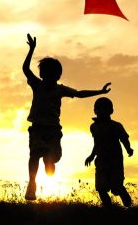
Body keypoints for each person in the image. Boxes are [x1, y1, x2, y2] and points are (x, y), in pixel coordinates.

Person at [23, 33, 111, 200]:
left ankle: (49, 161)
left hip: (54, 130)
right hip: (38, 128)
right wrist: (31, 50)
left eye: (53, 74)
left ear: (58, 76)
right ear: (42, 74)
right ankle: (32, 183)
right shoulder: (37, 85)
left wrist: (99, 91)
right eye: (46, 73)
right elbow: (26, 70)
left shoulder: (60, 89)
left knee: (53, 159)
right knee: (34, 154)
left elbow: (79, 94)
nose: (49, 77)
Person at [85, 97, 134, 207]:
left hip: (115, 161)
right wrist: (92, 155)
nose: (102, 110)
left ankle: (128, 205)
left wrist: (128, 149)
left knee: (116, 187)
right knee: (101, 188)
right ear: (95, 110)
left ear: (111, 111)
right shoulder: (93, 127)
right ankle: (108, 209)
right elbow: (96, 143)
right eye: (99, 108)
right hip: (101, 161)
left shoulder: (116, 126)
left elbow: (124, 139)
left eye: (105, 108)